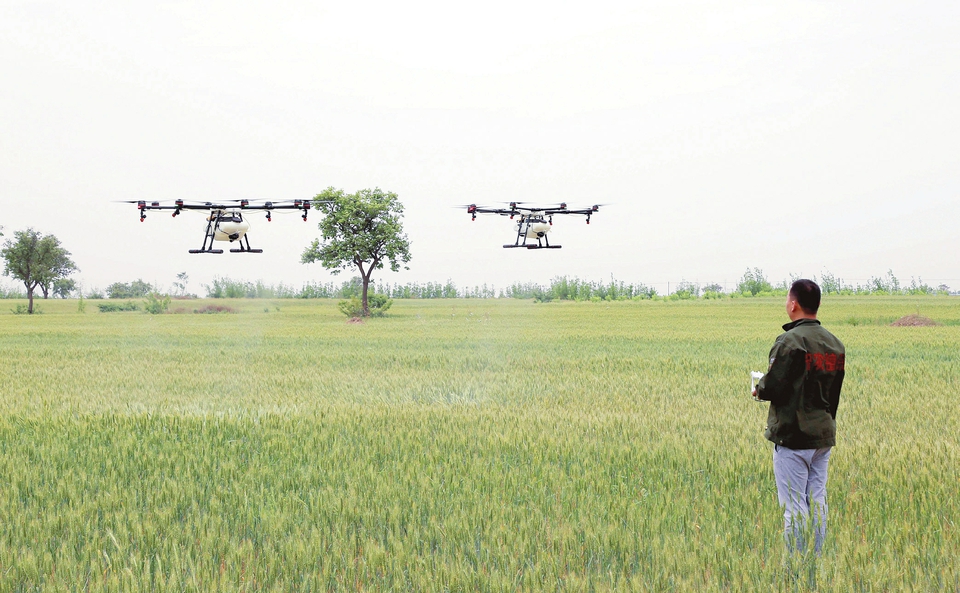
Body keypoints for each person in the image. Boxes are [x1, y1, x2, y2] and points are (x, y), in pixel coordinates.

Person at [753, 279, 845, 555]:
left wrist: (759, 390)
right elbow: (834, 392)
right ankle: (815, 559)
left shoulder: (790, 341)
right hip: (823, 435)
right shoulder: (835, 344)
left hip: (793, 437)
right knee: (817, 501)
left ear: (793, 304)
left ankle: (795, 565)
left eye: (786, 299)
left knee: (793, 506)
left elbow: (773, 387)